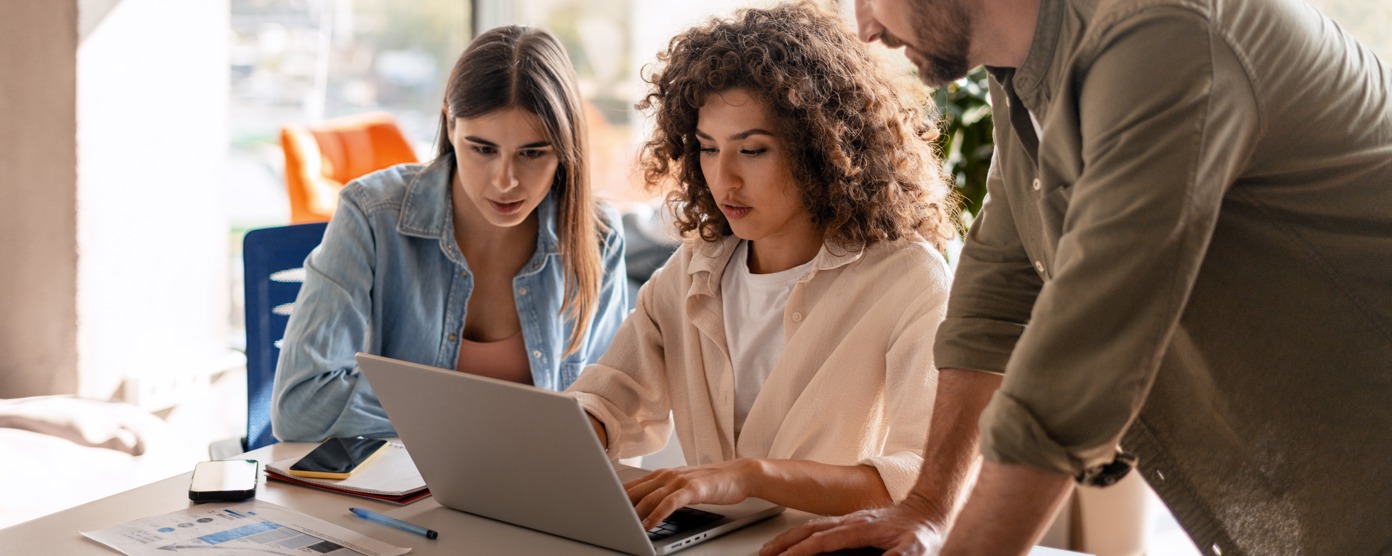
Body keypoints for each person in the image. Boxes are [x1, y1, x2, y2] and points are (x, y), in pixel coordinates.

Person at [764, 0, 1392, 554]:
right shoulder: (1029, 68)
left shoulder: (1160, 30)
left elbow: (1081, 365)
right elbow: (1001, 287)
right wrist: (928, 506)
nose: (865, 27)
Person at [564, 2, 961, 532]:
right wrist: (557, 444)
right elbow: (609, 399)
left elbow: (917, 479)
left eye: (751, 150)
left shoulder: (909, 281)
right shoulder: (693, 271)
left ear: (821, 149)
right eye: (707, 148)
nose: (722, 179)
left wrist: (750, 477)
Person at [271, 26, 629, 442]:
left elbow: (608, 409)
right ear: (450, 123)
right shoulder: (371, 215)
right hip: (398, 486)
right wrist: (487, 425)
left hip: (531, 493)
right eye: (482, 148)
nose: (505, 181)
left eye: (533, 153)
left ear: (566, 147)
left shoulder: (597, 236)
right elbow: (300, 408)